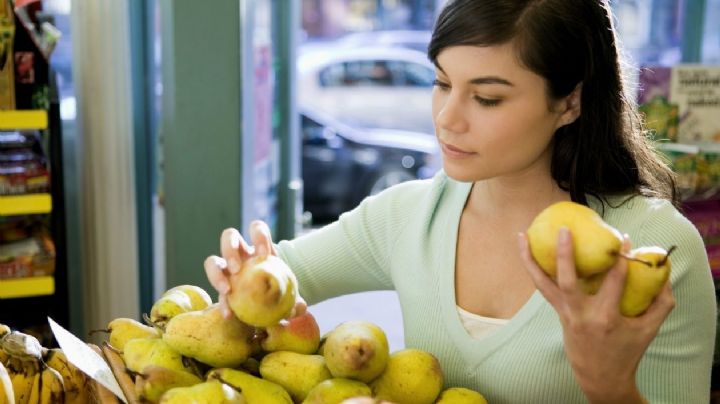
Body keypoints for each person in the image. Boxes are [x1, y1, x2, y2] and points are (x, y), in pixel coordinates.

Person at [205, 0, 716, 402]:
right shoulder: (408, 216)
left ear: (569, 102)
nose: (448, 118)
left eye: (487, 97)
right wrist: (245, 272)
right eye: (442, 83)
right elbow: (282, 273)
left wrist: (610, 391)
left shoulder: (655, 250)